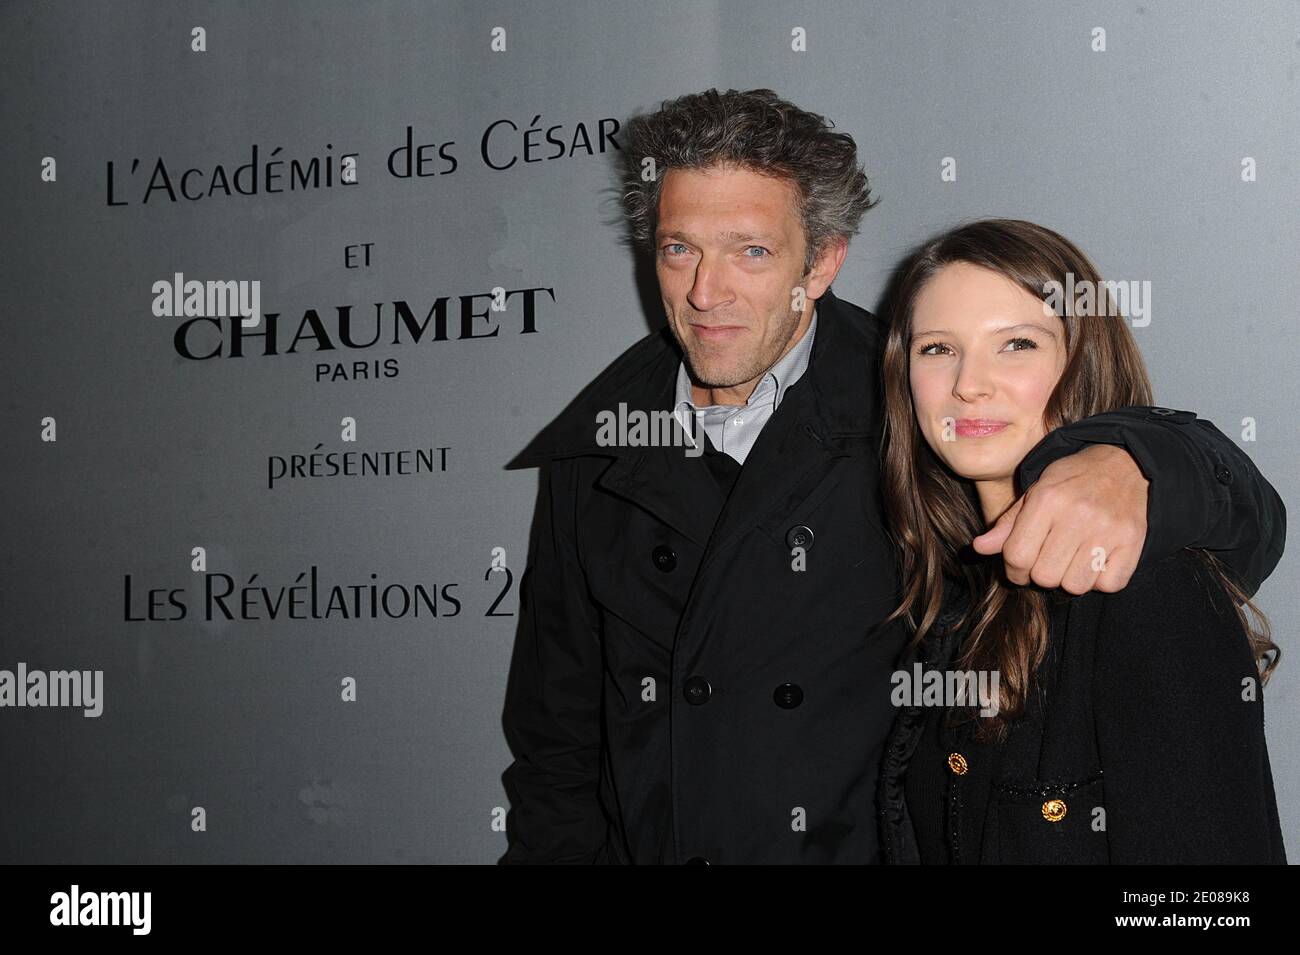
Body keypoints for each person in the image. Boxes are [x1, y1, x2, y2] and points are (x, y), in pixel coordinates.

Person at [499, 88, 1286, 864]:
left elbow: (1240, 520)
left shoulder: (908, 417)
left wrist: (1139, 461)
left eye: (752, 250)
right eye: (680, 249)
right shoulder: (595, 451)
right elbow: (554, 749)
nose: (707, 292)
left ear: (824, 260)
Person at [875, 218, 1286, 863]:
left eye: (1016, 344)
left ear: (1083, 361)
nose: (967, 383)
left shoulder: (1142, 585)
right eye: (936, 349)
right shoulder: (943, 596)